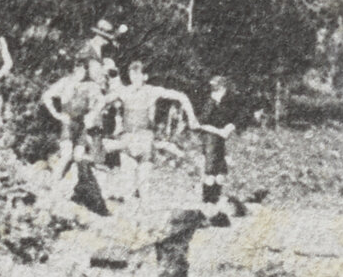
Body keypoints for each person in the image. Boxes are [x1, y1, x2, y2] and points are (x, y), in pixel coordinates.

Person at [94, 60, 198, 206]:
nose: (134, 79)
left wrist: (192, 117)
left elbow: (181, 96)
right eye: (132, 76)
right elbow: (103, 101)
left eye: (137, 76)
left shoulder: (151, 91)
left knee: (144, 186)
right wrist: (93, 116)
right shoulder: (124, 91)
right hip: (128, 138)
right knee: (128, 186)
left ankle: (145, 212)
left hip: (144, 139)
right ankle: (130, 217)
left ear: (145, 77)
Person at [194, 73, 244, 223]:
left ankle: (214, 205)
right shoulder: (208, 102)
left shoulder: (228, 102)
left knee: (220, 175)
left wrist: (231, 126)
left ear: (224, 89)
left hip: (221, 141)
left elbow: (238, 116)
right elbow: (200, 123)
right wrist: (219, 131)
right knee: (209, 174)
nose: (215, 91)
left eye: (218, 88)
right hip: (209, 139)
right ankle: (207, 205)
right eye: (213, 88)